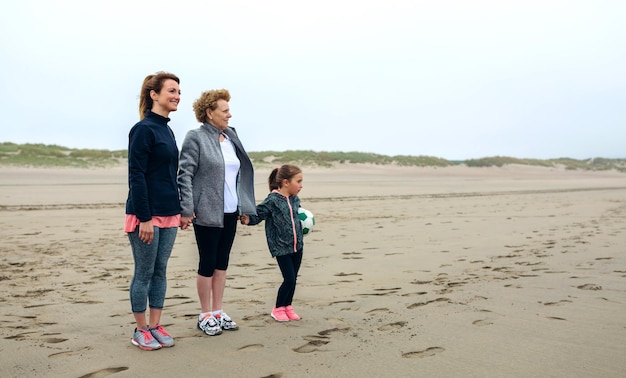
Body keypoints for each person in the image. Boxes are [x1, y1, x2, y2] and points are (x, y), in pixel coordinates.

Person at [177, 89, 256, 336]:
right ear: (210, 113)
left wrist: (244, 207)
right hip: (206, 212)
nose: (229, 115)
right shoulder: (196, 137)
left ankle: (218, 312)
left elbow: (241, 174)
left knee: (222, 263)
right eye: (225, 111)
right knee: (207, 263)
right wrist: (187, 209)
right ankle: (205, 315)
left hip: (231, 211)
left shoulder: (231, 137)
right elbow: (185, 175)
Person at [125, 72, 182, 350]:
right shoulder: (143, 129)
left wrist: (181, 210)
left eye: (179, 92)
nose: (177, 96)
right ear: (154, 94)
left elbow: (171, 175)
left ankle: (156, 325)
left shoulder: (167, 129)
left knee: (161, 270)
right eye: (171, 90)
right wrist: (144, 218)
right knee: (144, 272)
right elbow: (136, 176)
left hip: (169, 213)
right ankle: (140, 330)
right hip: (145, 214)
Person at [240, 164, 305, 322]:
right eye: (299, 181)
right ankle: (278, 308)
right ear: (285, 182)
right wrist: (248, 219)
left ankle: (288, 306)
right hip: (280, 246)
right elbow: (259, 214)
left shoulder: (295, 200)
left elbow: (299, 216)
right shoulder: (273, 200)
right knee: (288, 278)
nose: (301, 185)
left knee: (293, 279)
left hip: (297, 245)